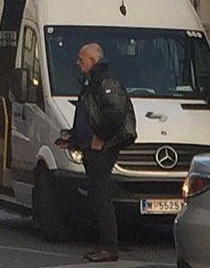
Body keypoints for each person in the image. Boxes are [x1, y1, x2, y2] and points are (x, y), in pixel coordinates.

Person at [57, 43, 137, 262]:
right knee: (96, 196)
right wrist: (73, 138)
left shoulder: (105, 82)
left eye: (81, 59)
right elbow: (88, 115)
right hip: (90, 148)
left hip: (103, 149)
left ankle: (109, 247)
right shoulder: (92, 82)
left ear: (92, 60)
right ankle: (103, 244)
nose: (77, 63)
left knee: (101, 197)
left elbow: (116, 113)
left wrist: (99, 137)